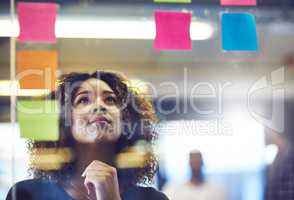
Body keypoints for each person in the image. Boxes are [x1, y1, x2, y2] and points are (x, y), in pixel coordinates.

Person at [6, 71, 169, 200]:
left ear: (125, 119)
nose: (100, 105)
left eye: (110, 100)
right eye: (83, 100)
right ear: (64, 120)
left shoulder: (151, 198)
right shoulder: (26, 195)